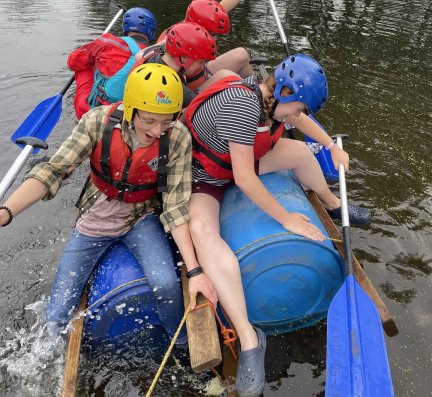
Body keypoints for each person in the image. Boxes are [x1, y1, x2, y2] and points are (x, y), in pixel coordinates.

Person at [184, 54, 371, 397]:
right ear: (283, 90)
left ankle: (334, 204)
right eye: (298, 106)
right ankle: (250, 339)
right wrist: (286, 219)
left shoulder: (274, 100)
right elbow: (243, 178)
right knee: (200, 232)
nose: (299, 115)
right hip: (207, 176)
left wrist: (331, 147)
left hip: (239, 160)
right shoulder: (244, 105)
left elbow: (300, 122)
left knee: (301, 154)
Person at [0, 63, 217, 344]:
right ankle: (53, 346)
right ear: (130, 109)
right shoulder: (96, 122)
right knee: (57, 313)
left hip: (141, 216)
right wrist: (7, 212)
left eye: (167, 120)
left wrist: (195, 271)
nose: (157, 130)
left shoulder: (177, 138)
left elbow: (175, 206)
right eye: (149, 120)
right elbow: (53, 171)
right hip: (97, 214)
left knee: (165, 284)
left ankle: (179, 340)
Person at [67, 7, 157, 119]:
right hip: (128, 117)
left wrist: (94, 56)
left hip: (90, 112)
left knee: (83, 65)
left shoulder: (106, 42)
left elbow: (72, 62)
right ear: (152, 31)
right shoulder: (155, 56)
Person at [154, 0, 253, 92]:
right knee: (226, 76)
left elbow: (216, 11)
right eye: (213, 35)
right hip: (191, 91)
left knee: (241, 54)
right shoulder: (174, 46)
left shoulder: (189, 27)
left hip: (199, 76)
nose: (215, 40)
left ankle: (256, 88)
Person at [132, 21, 218, 108]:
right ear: (184, 58)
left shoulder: (154, 51)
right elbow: (199, 109)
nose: (201, 67)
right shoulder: (176, 88)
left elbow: (138, 56)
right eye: (201, 62)